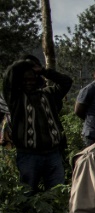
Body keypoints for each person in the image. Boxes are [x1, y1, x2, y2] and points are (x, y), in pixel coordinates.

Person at [2, 56, 72, 191]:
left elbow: (66, 82)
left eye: (32, 79)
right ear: (20, 81)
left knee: (57, 193)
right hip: (28, 155)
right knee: (27, 193)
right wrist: (23, 64)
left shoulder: (49, 94)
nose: (29, 82)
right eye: (25, 80)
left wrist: (43, 71)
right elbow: (8, 80)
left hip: (53, 154)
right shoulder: (16, 99)